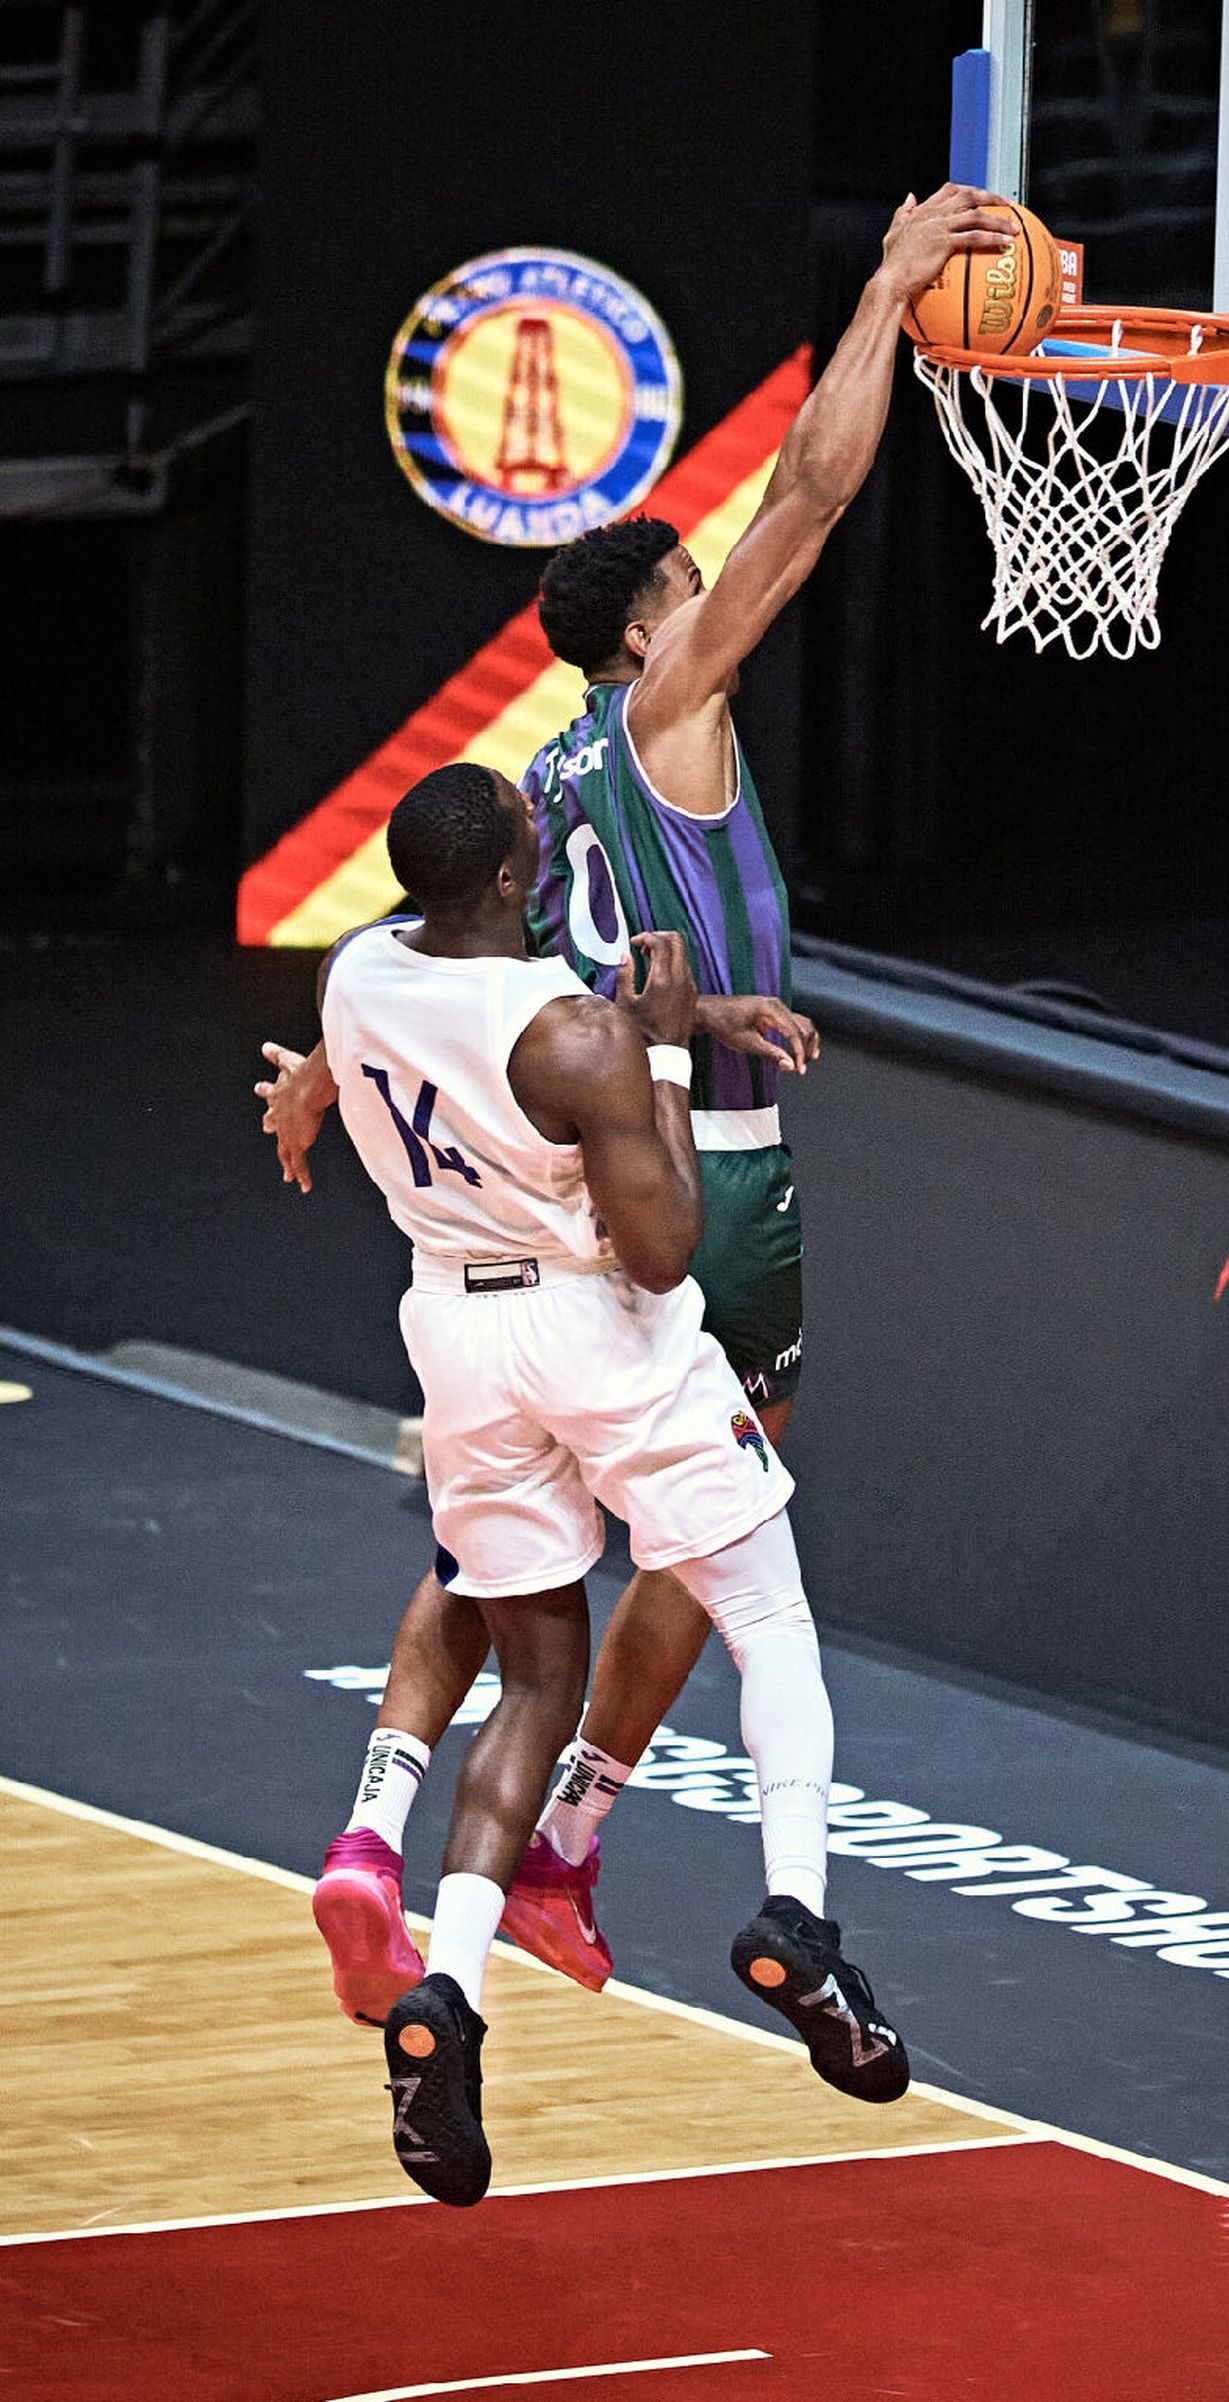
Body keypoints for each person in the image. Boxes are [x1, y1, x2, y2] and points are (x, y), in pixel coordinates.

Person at [255, 180, 1014, 2016]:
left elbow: (498, 984)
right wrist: (891, 292)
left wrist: (318, 1084)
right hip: (707, 1180)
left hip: (543, 1215)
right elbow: (816, 498)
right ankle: (584, 1840)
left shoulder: (546, 781)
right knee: (729, 1543)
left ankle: (394, 1831)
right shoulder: (674, 708)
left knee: (505, 1549)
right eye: (696, 588)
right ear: (655, 627)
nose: (719, 600)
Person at [323, 760, 909, 2206]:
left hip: (452, 1328)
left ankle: (445, 1995)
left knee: (528, 1678)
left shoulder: (353, 974)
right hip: (595, 1327)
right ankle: (802, 1914)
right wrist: (662, 1052)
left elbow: (354, 1064)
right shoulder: (574, 1035)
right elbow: (665, 1248)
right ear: (522, 882)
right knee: (764, 1606)